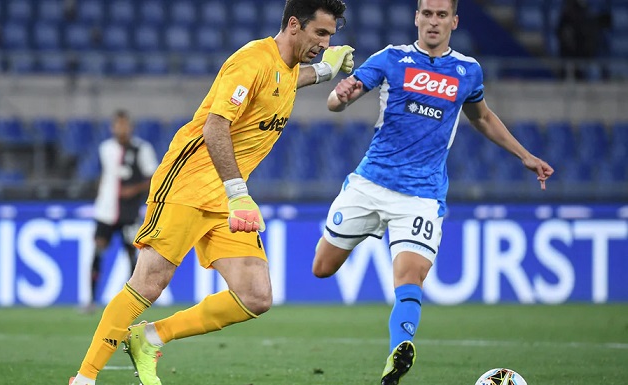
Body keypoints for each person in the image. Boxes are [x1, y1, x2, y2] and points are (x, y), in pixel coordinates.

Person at [68, 1, 355, 384]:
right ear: (293, 25)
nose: (325, 41)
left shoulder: (285, 67)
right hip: (187, 183)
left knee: (255, 295)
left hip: (222, 195)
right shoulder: (250, 60)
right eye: (320, 33)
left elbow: (288, 79)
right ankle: (84, 379)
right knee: (149, 282)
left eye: (330, 36)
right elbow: (215, 127)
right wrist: (238, 192)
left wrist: (324, 70)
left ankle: (150, 337)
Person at [311, 1, 554, 384]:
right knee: (322, 268)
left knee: (410, 277)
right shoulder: (391, 59)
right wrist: (339, 96)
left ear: (454, 21)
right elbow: (339, 99)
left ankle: (399, 350)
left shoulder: (468, 72)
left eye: (442, 15)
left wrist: (524, 155)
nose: (434, 21)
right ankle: (398, 342)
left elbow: (483, 117)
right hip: (370, 184)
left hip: (421, 196)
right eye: (427, 13)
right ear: (417, 18)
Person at [85, 109, 158, 313]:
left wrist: (134, 189)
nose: (121, 129)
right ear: (112, 127)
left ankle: (134, 302)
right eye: (118, 125)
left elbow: (153, 177)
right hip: (105, 211)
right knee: (98, 250)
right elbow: (106, 176)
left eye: (125, 124)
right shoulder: (105, 148)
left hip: (129, 212)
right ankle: (90, 300)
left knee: (132, 255)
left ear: (131, 127)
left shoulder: (142, 149)